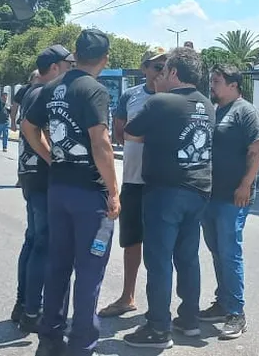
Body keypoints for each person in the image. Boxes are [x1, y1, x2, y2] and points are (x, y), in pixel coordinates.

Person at [24, 29, 120, 356]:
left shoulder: (52, 88)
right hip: (88, 194)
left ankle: (49, 338)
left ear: (76, 55)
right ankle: (82, 346)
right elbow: (100, 142)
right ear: (104, 59)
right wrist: (114, 190)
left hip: (58, 189)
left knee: (58, 265)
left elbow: (27, 127)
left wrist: (50, 155)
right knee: (89, 272)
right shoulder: (94, 90)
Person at [122, 47, 214, 349]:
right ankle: (188, 320)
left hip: (165, 191)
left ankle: (158, 327)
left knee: (159, 260)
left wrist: (157, 100)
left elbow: (131, 133)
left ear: (174, 73)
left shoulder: (160, 101)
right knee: (187, 258)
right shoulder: (206, 104)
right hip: (199, 189)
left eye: (165, 71)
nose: (160, 76)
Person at [98, 47, 167, 320]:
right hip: (134, 179)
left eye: (164, 65)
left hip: (162, 182)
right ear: (144, 69)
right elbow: (120, 132)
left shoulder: (173, 96)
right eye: (155, 66)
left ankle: (158, 306)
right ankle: (128, 296)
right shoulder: (131, 96)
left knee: (161, 244)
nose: (160, 71)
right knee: (132, 241)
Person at [198, 63, 259, 340]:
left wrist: (245, 185)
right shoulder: (217, 110)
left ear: (233, 85)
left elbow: (257, 148)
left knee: (229, 252)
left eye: (216, 81)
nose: (212, 85)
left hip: (233, 196)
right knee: (216, 251)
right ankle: (222, 302)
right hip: (211, 195)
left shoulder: (245, 111)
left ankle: (237, 312)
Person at [10, 46, 73, 334]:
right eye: (68, 63)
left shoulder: (30, 91)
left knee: (33, 240)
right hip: (41, 175)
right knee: (43, 243)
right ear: (56, 67)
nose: (71, 67)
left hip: (29, 173)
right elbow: (39, 131)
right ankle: (33, 311)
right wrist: (53, 160)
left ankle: (23, 304)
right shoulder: (46, 93)